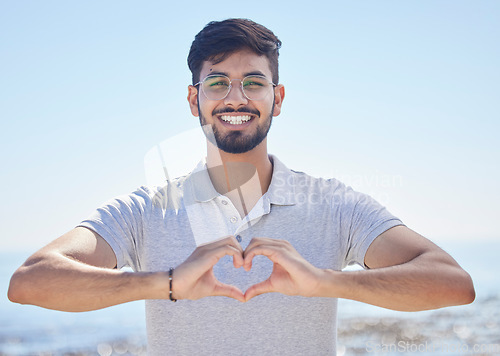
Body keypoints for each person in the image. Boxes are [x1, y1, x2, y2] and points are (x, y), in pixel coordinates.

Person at [8, 18, 475, 355]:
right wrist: (166, 283)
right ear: (194, 100)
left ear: (278, 97)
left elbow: (453, 285)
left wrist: (324, 282)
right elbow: (30, 283)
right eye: (217, 83)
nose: (236, 97)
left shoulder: (333, 204)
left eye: (254, 82)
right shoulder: (148, 208)